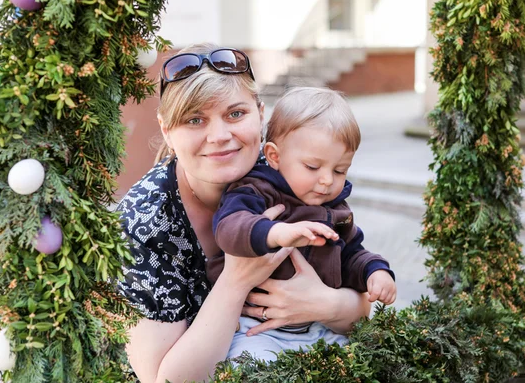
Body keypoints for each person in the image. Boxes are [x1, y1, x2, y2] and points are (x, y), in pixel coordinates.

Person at [116, 43, 373, 383]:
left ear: (260, 113)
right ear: (166, 129)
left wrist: (323, 304)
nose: (220, 136)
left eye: (236, 114)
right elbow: (165, 380)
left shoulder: (289, 173)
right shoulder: (141, 223)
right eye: (195, 120)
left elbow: (361, 304)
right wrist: (237, 279)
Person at [208, 87, 397, 362]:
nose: (326, 181)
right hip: (256, 329)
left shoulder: (337, 211)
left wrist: (374, 271)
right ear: (274, 156)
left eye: (339, 170)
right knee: (253, 366)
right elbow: (228, 228)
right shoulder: (256, 190)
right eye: (312, 167)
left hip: (317, 326)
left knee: (361, 361)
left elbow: (352, 252)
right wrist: (275, 232)